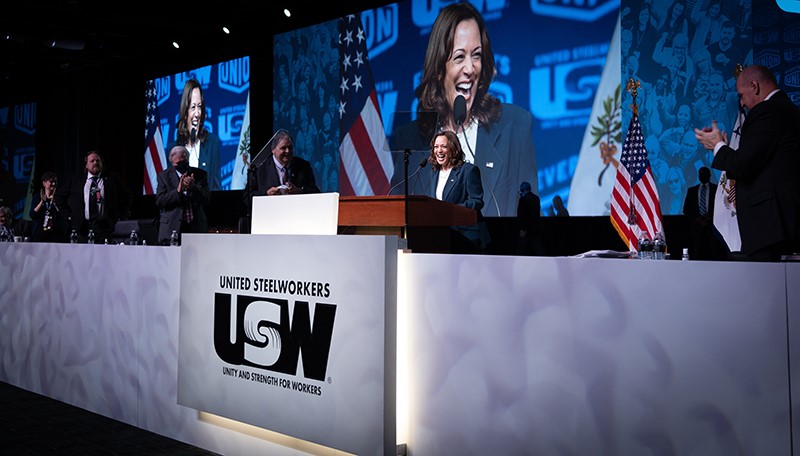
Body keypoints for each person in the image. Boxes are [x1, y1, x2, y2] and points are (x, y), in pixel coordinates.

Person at [391, 2, 537, 217]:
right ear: (439, 69)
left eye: (476, 55)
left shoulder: (516, 126)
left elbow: (529, 216)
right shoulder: (410, 139)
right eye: (459, 57)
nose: (470, 68)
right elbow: (395, 213)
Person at [694, 64, 800, 261]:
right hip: (781, 224)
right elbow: (757, 160)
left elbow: (742, 166)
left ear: (755, 86)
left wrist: (718, 146)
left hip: (771, 227)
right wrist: (724, 147)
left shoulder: (768, 111)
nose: (741, 103)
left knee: (770, 290)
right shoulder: (786, 109)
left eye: (741, 95)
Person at [428, 130, 490, 253]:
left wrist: (451, 210)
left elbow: (477, 201)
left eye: (443, 146)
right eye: (436, 147)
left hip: (467, 235)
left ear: (453, 149)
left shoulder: (468, 170)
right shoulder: (434, 173)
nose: (439, 150)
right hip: (444, 235)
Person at [55, 150, 133, 244]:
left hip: (104, 228)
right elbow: (59, 197)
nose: (95, 163)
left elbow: (128, 196)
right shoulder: (75, 180)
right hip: (82, 227)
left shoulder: (112, 178)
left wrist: (119, 214)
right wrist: (69, 215)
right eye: (92, 161)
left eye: (98, 161)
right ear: (86, 165)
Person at [243, 130, 320, 214]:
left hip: (297, 216)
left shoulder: (303, 166)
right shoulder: (258, 169)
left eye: (290, 148)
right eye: (283, 148)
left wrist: (300, 191)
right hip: (270, 217)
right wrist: (266, 194)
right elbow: (247, 198)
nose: (288, 151)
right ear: (273, 150)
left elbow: (315, 193)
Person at [166, 79, 222, 191]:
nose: (197, 113)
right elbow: (169, 192)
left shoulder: (212, 143)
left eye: (199, 106)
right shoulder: (173, 148)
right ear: (185, 112)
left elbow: (216, 188)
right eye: (193, 107)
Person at [155, 145, 211, 245]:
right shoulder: (164, 176)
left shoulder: (200, 174)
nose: (182, 165)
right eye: (178, 163)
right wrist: (177, 192)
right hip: (172, 227)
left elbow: (207, 199)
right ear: (172, 163)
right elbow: (160, 201)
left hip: (196, 227)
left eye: (184, 162)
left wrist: (194, 188)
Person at [683, 166, 725, 260]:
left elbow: (721, 207)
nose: (702, 176)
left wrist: (710, 218)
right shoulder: (692, 190)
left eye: (704, 174)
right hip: (697, 228)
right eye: (700, 174)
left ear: (709, 175)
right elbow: (686, 210)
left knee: (715, 253)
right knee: (697, 254)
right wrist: (697, 219)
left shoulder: (716, 189)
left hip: (713, 228)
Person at [29, 171, 68, 242]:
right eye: (51, 181)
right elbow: (32, 214)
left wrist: (56, 204)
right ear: (44, 183)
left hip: (56, 235)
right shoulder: (37, 197)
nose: (53, 184)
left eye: (55, 182)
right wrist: (42, 202)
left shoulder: (59, 198)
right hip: (39, 235)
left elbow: (64, 216)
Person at [516, 181, 544, 256]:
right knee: (538, 248)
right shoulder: (536, 198)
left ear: (522, 190)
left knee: (522, 249)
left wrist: (522, 228)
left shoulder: (523, 200)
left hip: (526, 229)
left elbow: (521, 215)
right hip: (536, 227)